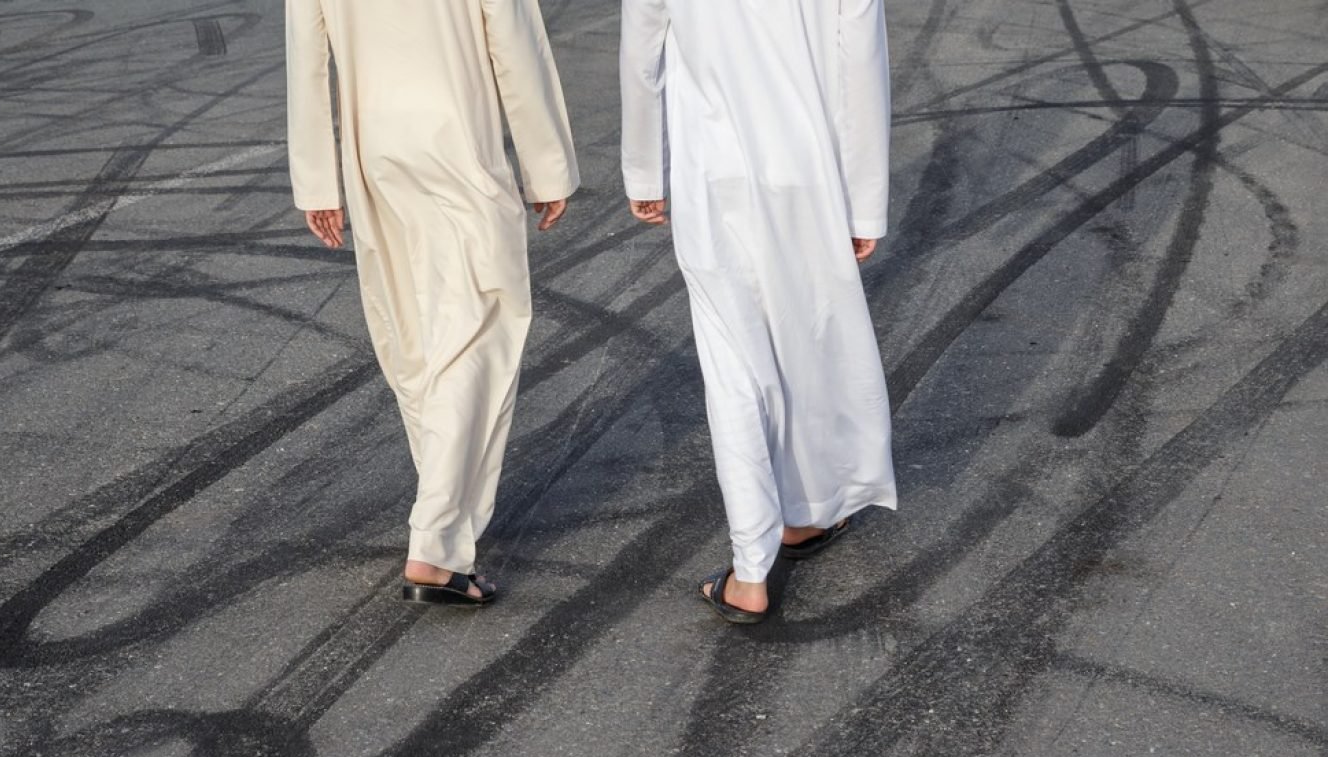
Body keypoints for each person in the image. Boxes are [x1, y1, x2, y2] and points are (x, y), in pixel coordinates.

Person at [287, 0, 579, 607]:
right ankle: (437, 540)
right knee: (479, 329)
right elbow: (516, 43)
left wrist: (317, 179)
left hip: (374, 150)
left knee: (415, 337)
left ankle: (444, 517)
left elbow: (307, 55)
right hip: (457, 146)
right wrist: (546, 166)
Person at [620, 0, 898, 624]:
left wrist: (645, 169)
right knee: (808, 343)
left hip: (710, 171)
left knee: (732, 363)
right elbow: (860, 57)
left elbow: (644, 45)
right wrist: (865, 202)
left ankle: (755, 566)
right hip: (809, 166)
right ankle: (799, 517)